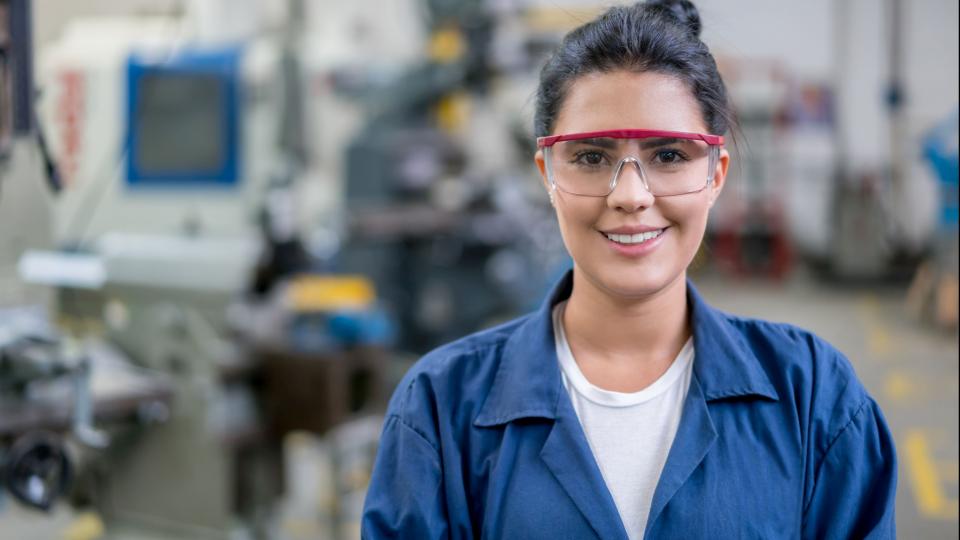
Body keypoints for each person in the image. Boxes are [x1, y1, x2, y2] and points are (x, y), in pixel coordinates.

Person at [361, 1, 898, 538]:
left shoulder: (814, 399)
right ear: (547, 173)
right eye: (591, 157)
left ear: (716, 175)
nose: (631, 196)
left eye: (669, 156)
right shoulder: (441, 408)